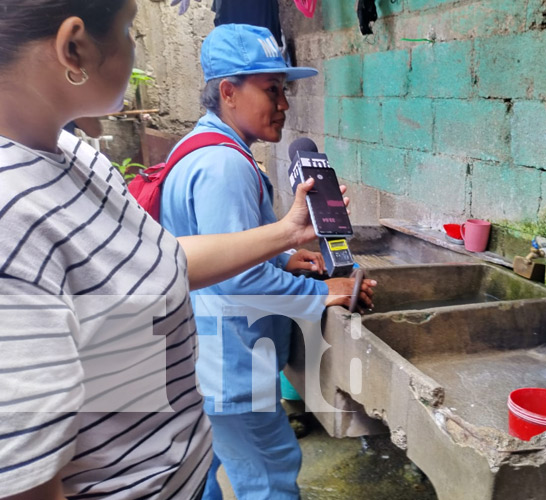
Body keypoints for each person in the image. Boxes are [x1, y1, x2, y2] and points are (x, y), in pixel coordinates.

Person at [0, 2, 335, 499]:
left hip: (186, 419)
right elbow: (24, 464)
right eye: (129, 28)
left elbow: (165, 257)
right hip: (230, 364)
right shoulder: (14, 212)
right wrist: (317, 296)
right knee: (269, 476)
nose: (137, 49)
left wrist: (285, 239)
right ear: (74, 46)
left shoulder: (79, 159)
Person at [159, 24, 376, 500]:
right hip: (234, 365)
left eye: (285, 90)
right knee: (271, 476)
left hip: (202, 356)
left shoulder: (198, 148)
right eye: (271, 90)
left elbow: (215, 249)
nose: (284, 103)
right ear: (228, 92)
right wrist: (326, 292)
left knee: (202, 471)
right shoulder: (226, 166)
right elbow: (240, 280)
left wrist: (284, 255)